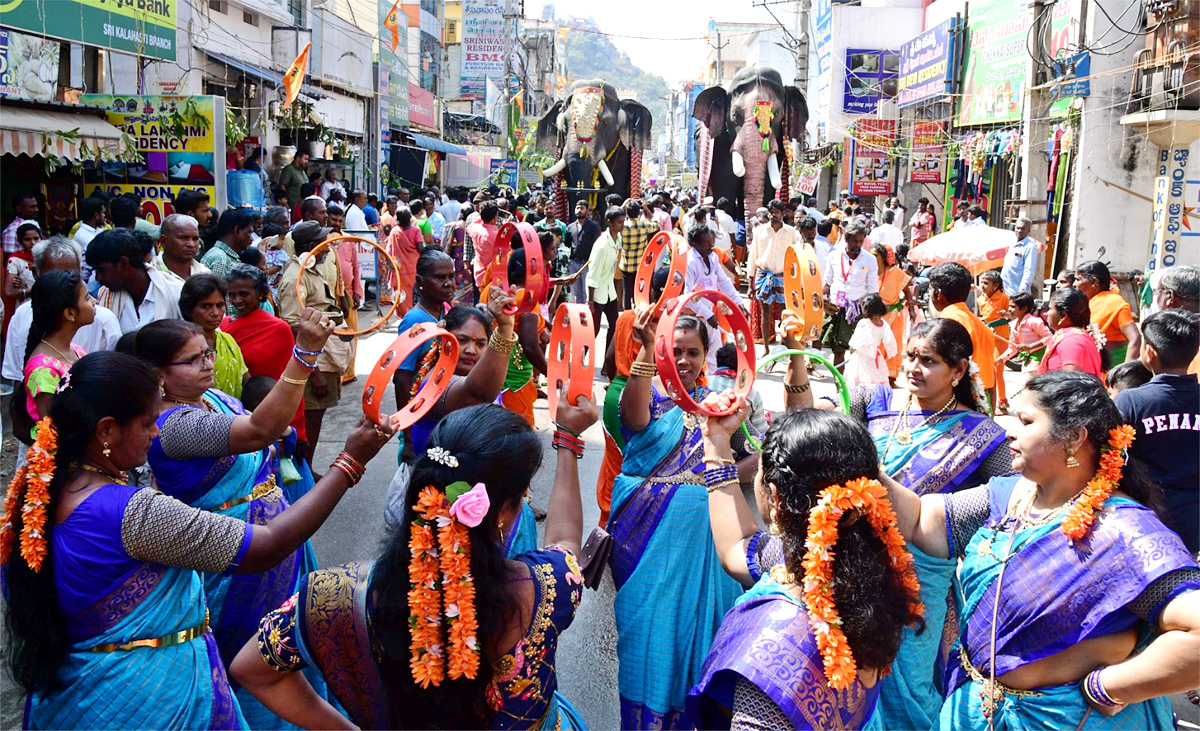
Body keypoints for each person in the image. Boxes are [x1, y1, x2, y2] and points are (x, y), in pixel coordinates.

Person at [4, 351, 392, 729]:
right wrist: (349, 462)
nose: (156, 433)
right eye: (147, 423)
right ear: (106, 430)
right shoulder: (128, 512)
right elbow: (266, 545)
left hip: (80, 692)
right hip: (149, 696)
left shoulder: (41, 487)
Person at [232, 401, 595, 730]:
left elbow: (251, 669)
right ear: (502, 513)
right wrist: (567, 439)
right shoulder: (547, 586)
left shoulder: (336, 595)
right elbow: (564, 540)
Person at [881, 371, 1199, 730]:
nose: (1009, 432)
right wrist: (863, 467)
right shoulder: (1011, 494)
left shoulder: (1122, 530)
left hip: (1066, 719)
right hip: (977, 708)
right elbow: (922, 520)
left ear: (1074, 438)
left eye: (1025, 421)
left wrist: (1106, 689)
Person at [136, 313, 380, 726]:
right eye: (192, 360)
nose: (208, 364)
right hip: (238, 563)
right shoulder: (172, 427)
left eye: (207, 353)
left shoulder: (212, 399)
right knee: (258, 658)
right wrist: (303, 355)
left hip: (281, 543)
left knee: (294, 641)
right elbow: (259, 429)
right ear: (158, 374)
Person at [785, 314, 1014, 729]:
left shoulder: (983, 435)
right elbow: (806, 433)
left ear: (959, 370)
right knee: (842, 668)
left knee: (909, 687)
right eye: (910, 356)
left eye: (929, 361)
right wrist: (796, 360)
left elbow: (1012, 498)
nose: (913, 368)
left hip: (920, 577)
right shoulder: (872, 400)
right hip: (851, 561)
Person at [689, 407, 925, 730]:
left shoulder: (771, 649)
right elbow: (737, 546)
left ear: (775, 498)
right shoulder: (873, 579)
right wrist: (715, 445)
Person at [609, 310, 744, 728]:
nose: (684, 360)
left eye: (693, 352)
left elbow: (739, 462)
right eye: (676, 351)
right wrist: (648, 348)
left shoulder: (716, 404)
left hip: (705, 545)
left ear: (706, 357)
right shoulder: (644, 393)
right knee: (649, 641)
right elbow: (632, 419)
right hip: (645, 537)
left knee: (702, 643)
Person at [1115, 309, 1200, 553]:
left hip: (1146, 519)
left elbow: (1111, 459)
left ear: (1149, 353)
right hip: (1194, 519)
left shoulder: (1130, 401)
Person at [3, 237, 120, 387]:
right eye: (54, 277)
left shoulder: (102, 323)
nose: (64, 285)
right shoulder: (22, 316)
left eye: (71, 277)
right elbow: (17, 381)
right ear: (36, 274)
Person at [277, 221, 352, 452]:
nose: (328, 248)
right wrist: (314, 371)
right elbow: (293, 327)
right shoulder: (295, 278)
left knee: (317, 415)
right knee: (311, 417)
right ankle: (306, 470)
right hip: (316, 361)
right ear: (312, 246)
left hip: (324, 356)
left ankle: (308, 469)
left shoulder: (309, 270)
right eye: (323, 244)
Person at [222, 264, 308, 448]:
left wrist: (297, 430)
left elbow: (292, 381)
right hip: (233, 420)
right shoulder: (221, 328)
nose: (237, 300)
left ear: (261, 293)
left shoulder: (277, 328)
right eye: (232, 295)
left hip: (272, 418)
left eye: (244, 294)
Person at [12, 269, 94, 445]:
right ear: (70, 313)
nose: (94, 302)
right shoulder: (43, 370)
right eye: (87, 298)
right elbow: (53, 433)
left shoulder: (78, 351)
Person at [88, 229, 183, 333]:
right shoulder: (106, 295)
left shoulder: (175, 293)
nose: (98, 277)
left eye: (101, 270)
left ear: (124, 263)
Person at [930, 262, 996, 402]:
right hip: (984, 400)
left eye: (930, 289)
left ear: (938, 293)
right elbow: (992, 375)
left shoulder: (948, 322)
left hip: (960, 401)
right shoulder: (980, 325)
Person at [180, 274, 249, 398]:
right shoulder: (182, 348)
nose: (216, 313)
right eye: (206, 306)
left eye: (220, 305)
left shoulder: (228, 340)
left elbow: (246, 380)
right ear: (189, 309)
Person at [822, 218, 879, 366]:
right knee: (837, 350)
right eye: (854, 241)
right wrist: (820, 299)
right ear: (846, 239)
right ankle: (839, 387)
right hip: (835, 308)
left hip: (857, 310)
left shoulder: (869, 259)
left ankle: (852, 383)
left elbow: (873, 289)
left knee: (856, 350)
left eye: (861, 241)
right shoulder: (834, 255)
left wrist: (872, 315)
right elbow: (827, 282)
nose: (858, 245)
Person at [747, 200, 795, 359]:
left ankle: (783, 346)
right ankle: (766, 349)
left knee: (785, 313)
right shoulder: (759, 231)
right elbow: (753, 256)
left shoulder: (791, 232)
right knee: (765, 312)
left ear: (783, 214)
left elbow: (797, 257)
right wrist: (750, 282)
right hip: (763, 274)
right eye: (771, 211)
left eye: (777, 212)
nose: (774, 215)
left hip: (783, 275)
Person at [1075, 260, 1142, 364]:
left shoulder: (1115, 303)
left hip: (1112, 366)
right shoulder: (1087, 302)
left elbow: (1135, 338)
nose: (1074, 284)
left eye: (1078, 279)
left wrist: (1126, 372)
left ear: (1094, 282)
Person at [1039, 287, 1105, 380]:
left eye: (1050, 309)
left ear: (1063, 316)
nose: (1047, 313)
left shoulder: (1070, 342)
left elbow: (1071, 382)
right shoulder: (1078, 336)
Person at [587, 205, 624, 357]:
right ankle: (579, 357)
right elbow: (593, 275)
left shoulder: (618, 238)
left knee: (615, 326)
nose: (622, 225)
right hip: (597, 292)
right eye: (619, 222)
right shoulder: (602, 245)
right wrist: (590, 301)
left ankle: (607, 362)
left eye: (623, 221)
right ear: (610, 222)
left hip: (610, 290)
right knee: (592, 331)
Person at [875, 243, 913, 384]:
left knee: (891, 345)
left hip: (893, 315)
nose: (873, 258)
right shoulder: (871, 271)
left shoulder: (897, 273)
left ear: (884, 257)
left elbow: (907, 291)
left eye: (876, 255)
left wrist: (912, 307)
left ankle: (890, 377)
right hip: (876, 315)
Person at [977, 270, 1012, 411]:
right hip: (986, 336)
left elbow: (1012, 316)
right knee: (984, 368)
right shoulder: (981, 299)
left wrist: (1008, 315)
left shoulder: (1004, 298)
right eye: (982, 283)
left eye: (987, 283)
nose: (983, 286)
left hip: (1001, 337)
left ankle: (1002, 402)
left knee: (997, 370)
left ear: (996, 285)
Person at [844, 293, 896, 389]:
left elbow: (855, 342)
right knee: (874, 378)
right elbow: (889, 340)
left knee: (859, 378)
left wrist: (851, 353)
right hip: (876, 356)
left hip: (861, 357)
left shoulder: (863, 323)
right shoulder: (883, 324)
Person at [385, 205, 424, 316]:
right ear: (409, 217)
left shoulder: (395, 231)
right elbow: (420, 248)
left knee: (401, 294)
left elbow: (389, 251)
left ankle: (404, 316)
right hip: (413, 267)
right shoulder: (415, 230)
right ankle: (414, 315)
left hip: (399, 269)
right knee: (414, 293)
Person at [1000, 291, 1053, 371]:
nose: (1009, 309)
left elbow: (1049, 337)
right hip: (1027, 362)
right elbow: (1013, 348)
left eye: (1013, 306)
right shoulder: (1014, 325)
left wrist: (1030, 347)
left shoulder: (1034, 322)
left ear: (1024, 308)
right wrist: (999, 360)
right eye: (1009, 306)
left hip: (1039, 360)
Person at [619, 200, 657, 310]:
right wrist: (647, 210)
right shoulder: (644, 225)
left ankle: (627, 314)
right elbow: (656, 224)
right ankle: (639, 310)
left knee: (627, 292)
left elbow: (613, 216)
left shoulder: (623, 226)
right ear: (639, 213)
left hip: (626, 264)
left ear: (626, 212)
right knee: (640, 291)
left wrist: (622, 206)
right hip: (640, 265)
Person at [3, 222, 40, 331]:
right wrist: (28, 291)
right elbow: (8, 292)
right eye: (27, 240)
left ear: (42, 238)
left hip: (46, 304)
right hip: (25, 306)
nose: (33, 243)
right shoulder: (15, 260)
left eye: (36, 238)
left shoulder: (48, 257)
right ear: (20, 242)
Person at [153, 213, 210, 283]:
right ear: (163, 241)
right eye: (183, 238)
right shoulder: (151, 274)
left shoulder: (205, 273)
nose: (191, 244)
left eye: (195, 239)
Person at [566, 201, 601, 304]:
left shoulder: (593, 226)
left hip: (587, 264)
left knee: (587, 293)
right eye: (577, 208)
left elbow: (597, 245)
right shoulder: (570, 227)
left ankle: (587, 316)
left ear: (587, 210)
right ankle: (579, 316)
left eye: (582, 208)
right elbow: (567, 244)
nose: (579, 211)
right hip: (573, 263)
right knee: (576, 293)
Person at [1002, 216, 1041, 295]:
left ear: (1028, 231)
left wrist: (1023, 289)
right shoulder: (1012, 243)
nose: (1019, 231)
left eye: (1023, 229)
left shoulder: (1030, 246)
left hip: (1016, 292)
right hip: (1005, 290)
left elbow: (1029, 270)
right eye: (1017, 228)